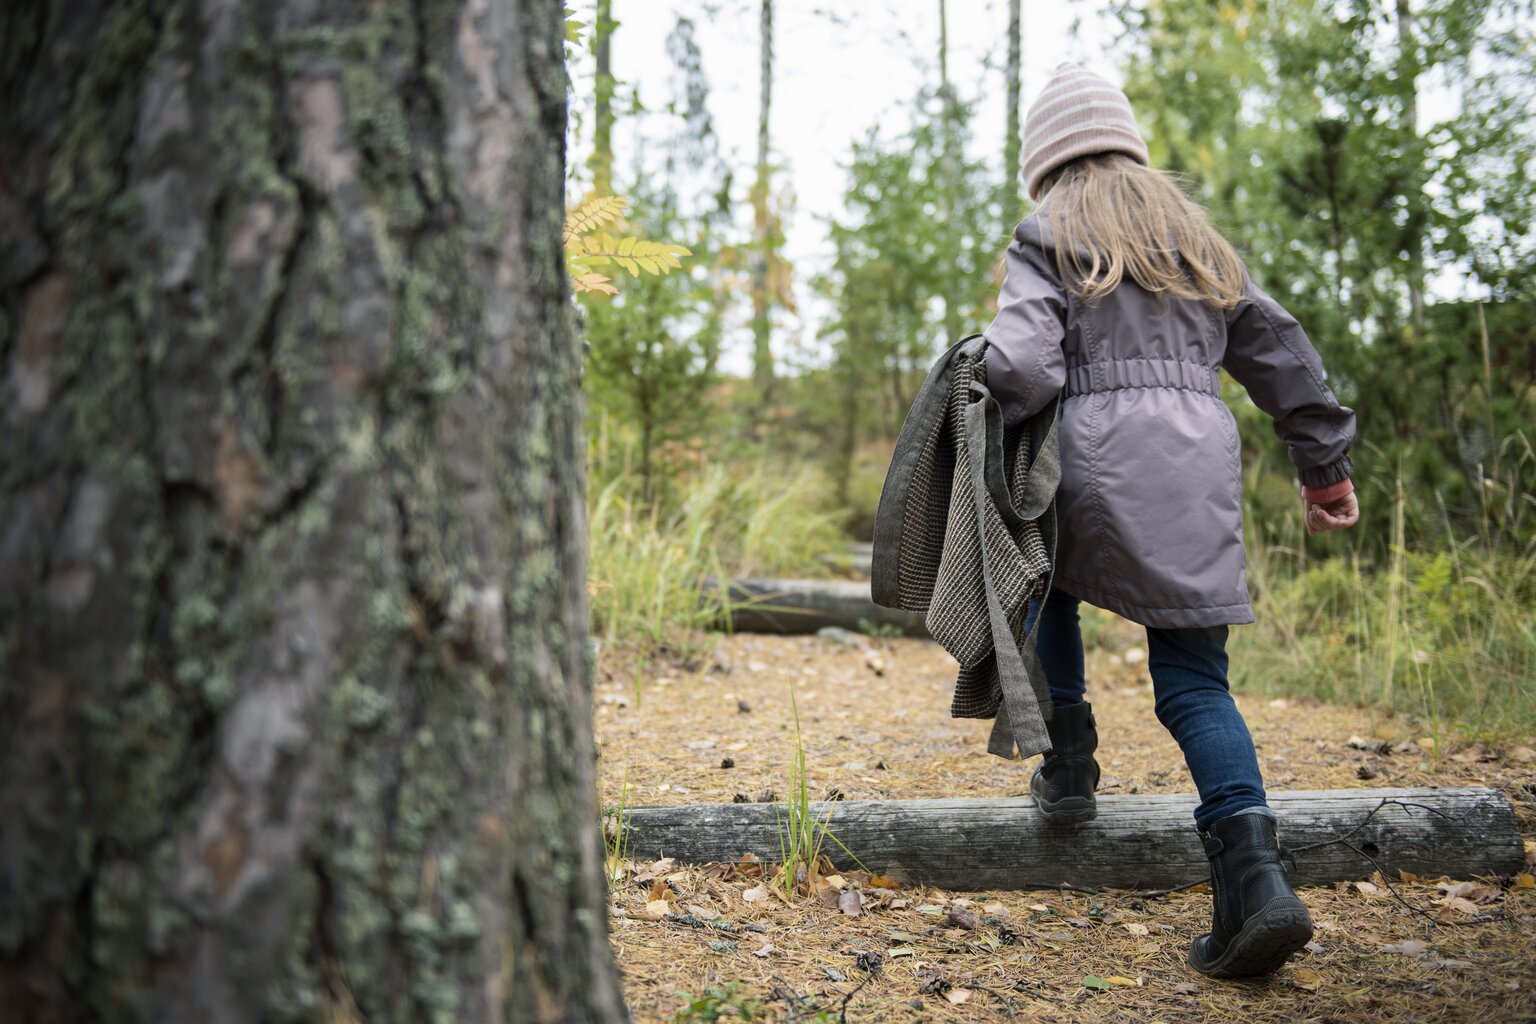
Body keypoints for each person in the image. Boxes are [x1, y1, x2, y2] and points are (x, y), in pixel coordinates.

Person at [982, 63, 1360, 979]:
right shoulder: (1195, 240)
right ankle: (1256, 881)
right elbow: (1280, 351)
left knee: (1047, 581)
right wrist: (1323, 466)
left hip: (1086, 458)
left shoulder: (1048, 236)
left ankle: (1067, 764)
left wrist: (980, 384)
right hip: (1196, 464)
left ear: (1045, 164)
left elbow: (1025, 367)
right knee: (1194, 682)